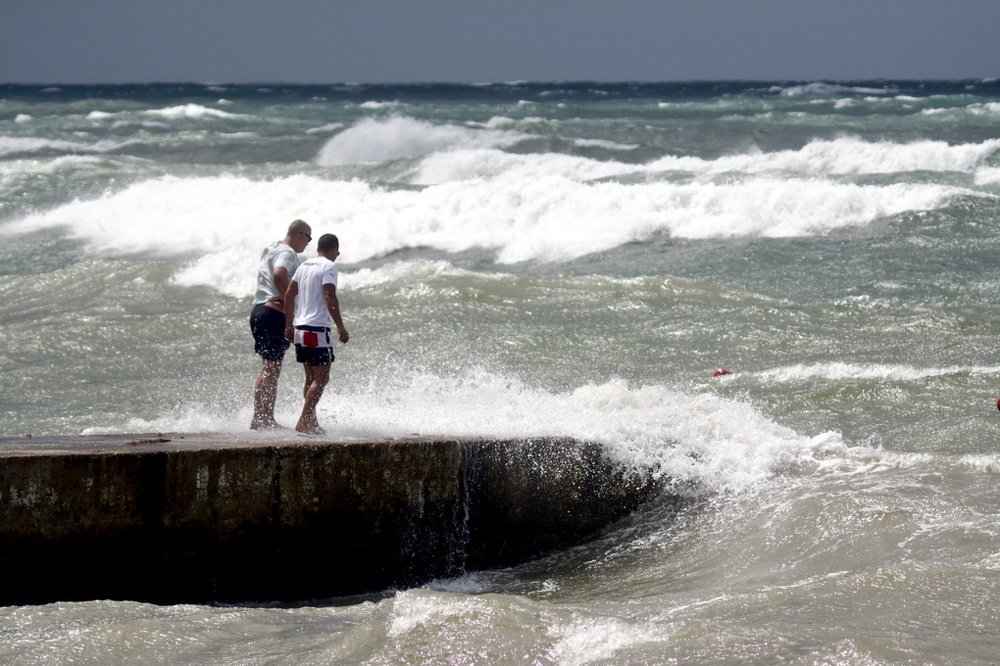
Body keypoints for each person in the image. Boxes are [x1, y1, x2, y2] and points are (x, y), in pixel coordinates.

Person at [283, 233, 350, 435]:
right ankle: (304, 421)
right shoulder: (328, 266)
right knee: (321, 379)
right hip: (316, 328)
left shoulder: (304, 266)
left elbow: (288, 295)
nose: (337, 255)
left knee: (310, 377)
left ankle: (310, 422)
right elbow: (329, 295)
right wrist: (340, 326)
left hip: (300, 328)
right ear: (331, 250)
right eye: (337, 251)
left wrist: (288, 325)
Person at [249, 219, 312, 430]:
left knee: (270, 366)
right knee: (271, 368)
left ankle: (262, 417)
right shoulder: (287, 252)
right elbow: (278, 274)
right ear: (300, 235)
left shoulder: (271, 248)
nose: (308, 244)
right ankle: (263, 419)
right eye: (308, 238)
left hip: (260, 310)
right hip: (273, 313)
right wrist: (288, 301)